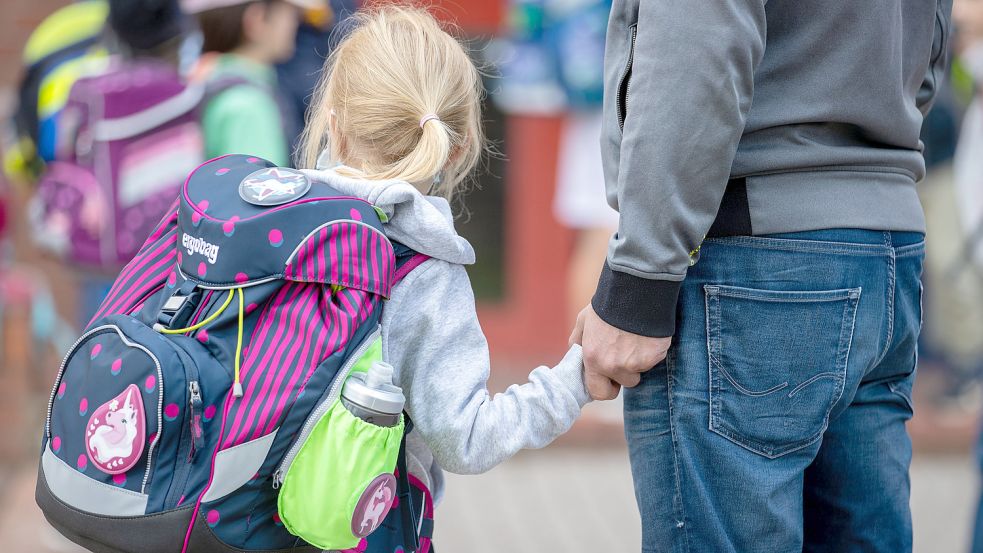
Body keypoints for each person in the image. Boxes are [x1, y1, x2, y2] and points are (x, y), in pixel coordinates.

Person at [572, 2, 951, 552]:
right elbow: (931, 46)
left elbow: (697, 47)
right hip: (885, 244)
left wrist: (641, 280)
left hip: (756, 249)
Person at [298, 6, 592, 550]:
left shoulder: (279, 222)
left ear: (334, 125)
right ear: (456, 145)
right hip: (353, 527)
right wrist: (575, 381)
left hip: (239, 516)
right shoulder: (420, 268)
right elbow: (465, 439)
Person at [184, 0, 320, 166]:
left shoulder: (207, 79)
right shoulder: (248, 104)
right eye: (290, 14)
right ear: (257, 20)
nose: (295, 24)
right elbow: (260, 186)